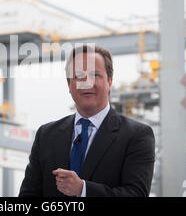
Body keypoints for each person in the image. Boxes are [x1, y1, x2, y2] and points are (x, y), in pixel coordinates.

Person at [18, 45, 155, 197]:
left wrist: (83, 190)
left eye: (95, 75)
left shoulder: (137, 135)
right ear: (69, 84)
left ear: (110, 82)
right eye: (79, 76)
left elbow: (136, 195)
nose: (87, 83)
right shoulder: (46, 135)